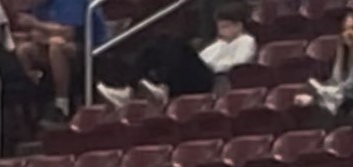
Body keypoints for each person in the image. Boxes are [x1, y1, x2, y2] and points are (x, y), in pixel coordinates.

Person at [97, 0, 256, 108]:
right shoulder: (216, 45)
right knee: (158, 44)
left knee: (175, 44)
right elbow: (202, 56)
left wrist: (207, 63)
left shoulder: (246, 41)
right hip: (199, 73)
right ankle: (130, 85)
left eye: (227, 26)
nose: (223, 31)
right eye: (221, 27)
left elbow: (239, 64)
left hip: (214, 79)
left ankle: (159, 85)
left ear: (239, 25)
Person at [15, 0, 104, 124]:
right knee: (24, 50)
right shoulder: (38, 5)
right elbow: (35, 33)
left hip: (91, 48)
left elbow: (68, 32)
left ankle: (61, 104)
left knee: (56, 47)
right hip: (53, 44)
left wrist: (36, 25)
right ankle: (34, 103)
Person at [295, 6, 353, 105]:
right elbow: (316, 82)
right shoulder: (334, 60)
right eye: (344, 30)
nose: (349, 34)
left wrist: (316, 100)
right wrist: (308, 95)